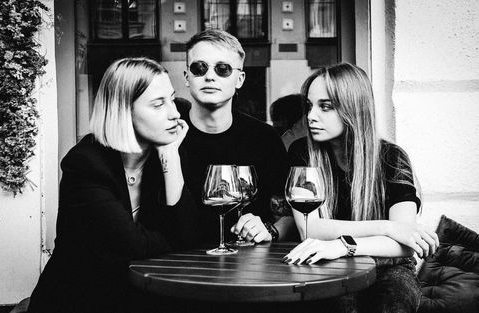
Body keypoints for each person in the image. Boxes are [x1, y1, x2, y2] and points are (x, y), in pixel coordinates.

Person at [27, 57, 198, 313]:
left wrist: (171, 157)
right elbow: (132, 247)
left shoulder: (161, 158)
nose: (174, 113)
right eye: (158, 104)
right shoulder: (85, 164)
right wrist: (174, 240)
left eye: (172, 99)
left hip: (137, 297)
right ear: (123, 111)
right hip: (77, 300)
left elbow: (192, 236)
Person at [283, 63, 439, 313]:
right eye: (309, 106)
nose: (311, 116)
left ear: (352, 108)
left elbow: (405, 243)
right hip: (330, 265)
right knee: (341, 304)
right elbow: (308, 227)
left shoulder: (391, 158)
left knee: (393, 302)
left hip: (388, 265)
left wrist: (343, 245)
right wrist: (387, 227)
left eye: (325, 106)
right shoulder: (302, 153)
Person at [180, 29, 295, 245]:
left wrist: (270, 230)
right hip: (182, 260)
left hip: (248, 265)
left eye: (222, 69)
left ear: (239, 79)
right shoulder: (170, 136)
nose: (210, 76)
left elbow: (289, 214)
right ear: (187, 77)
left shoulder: (264, 138)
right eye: (199, 68)